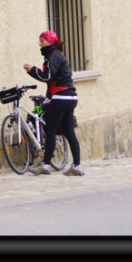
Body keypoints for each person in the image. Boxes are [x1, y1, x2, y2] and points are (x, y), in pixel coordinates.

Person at [23, 30, 83, 176]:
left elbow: (47, 77)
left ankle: (46, 165)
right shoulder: (58, 55)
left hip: (60, 97)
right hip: (71, 97)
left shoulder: (52, 56)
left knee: (50, 130)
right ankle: (76, 166)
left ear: (49, 42)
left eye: (42, 41)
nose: (39, 44)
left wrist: (33, 70)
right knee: (69, 131)